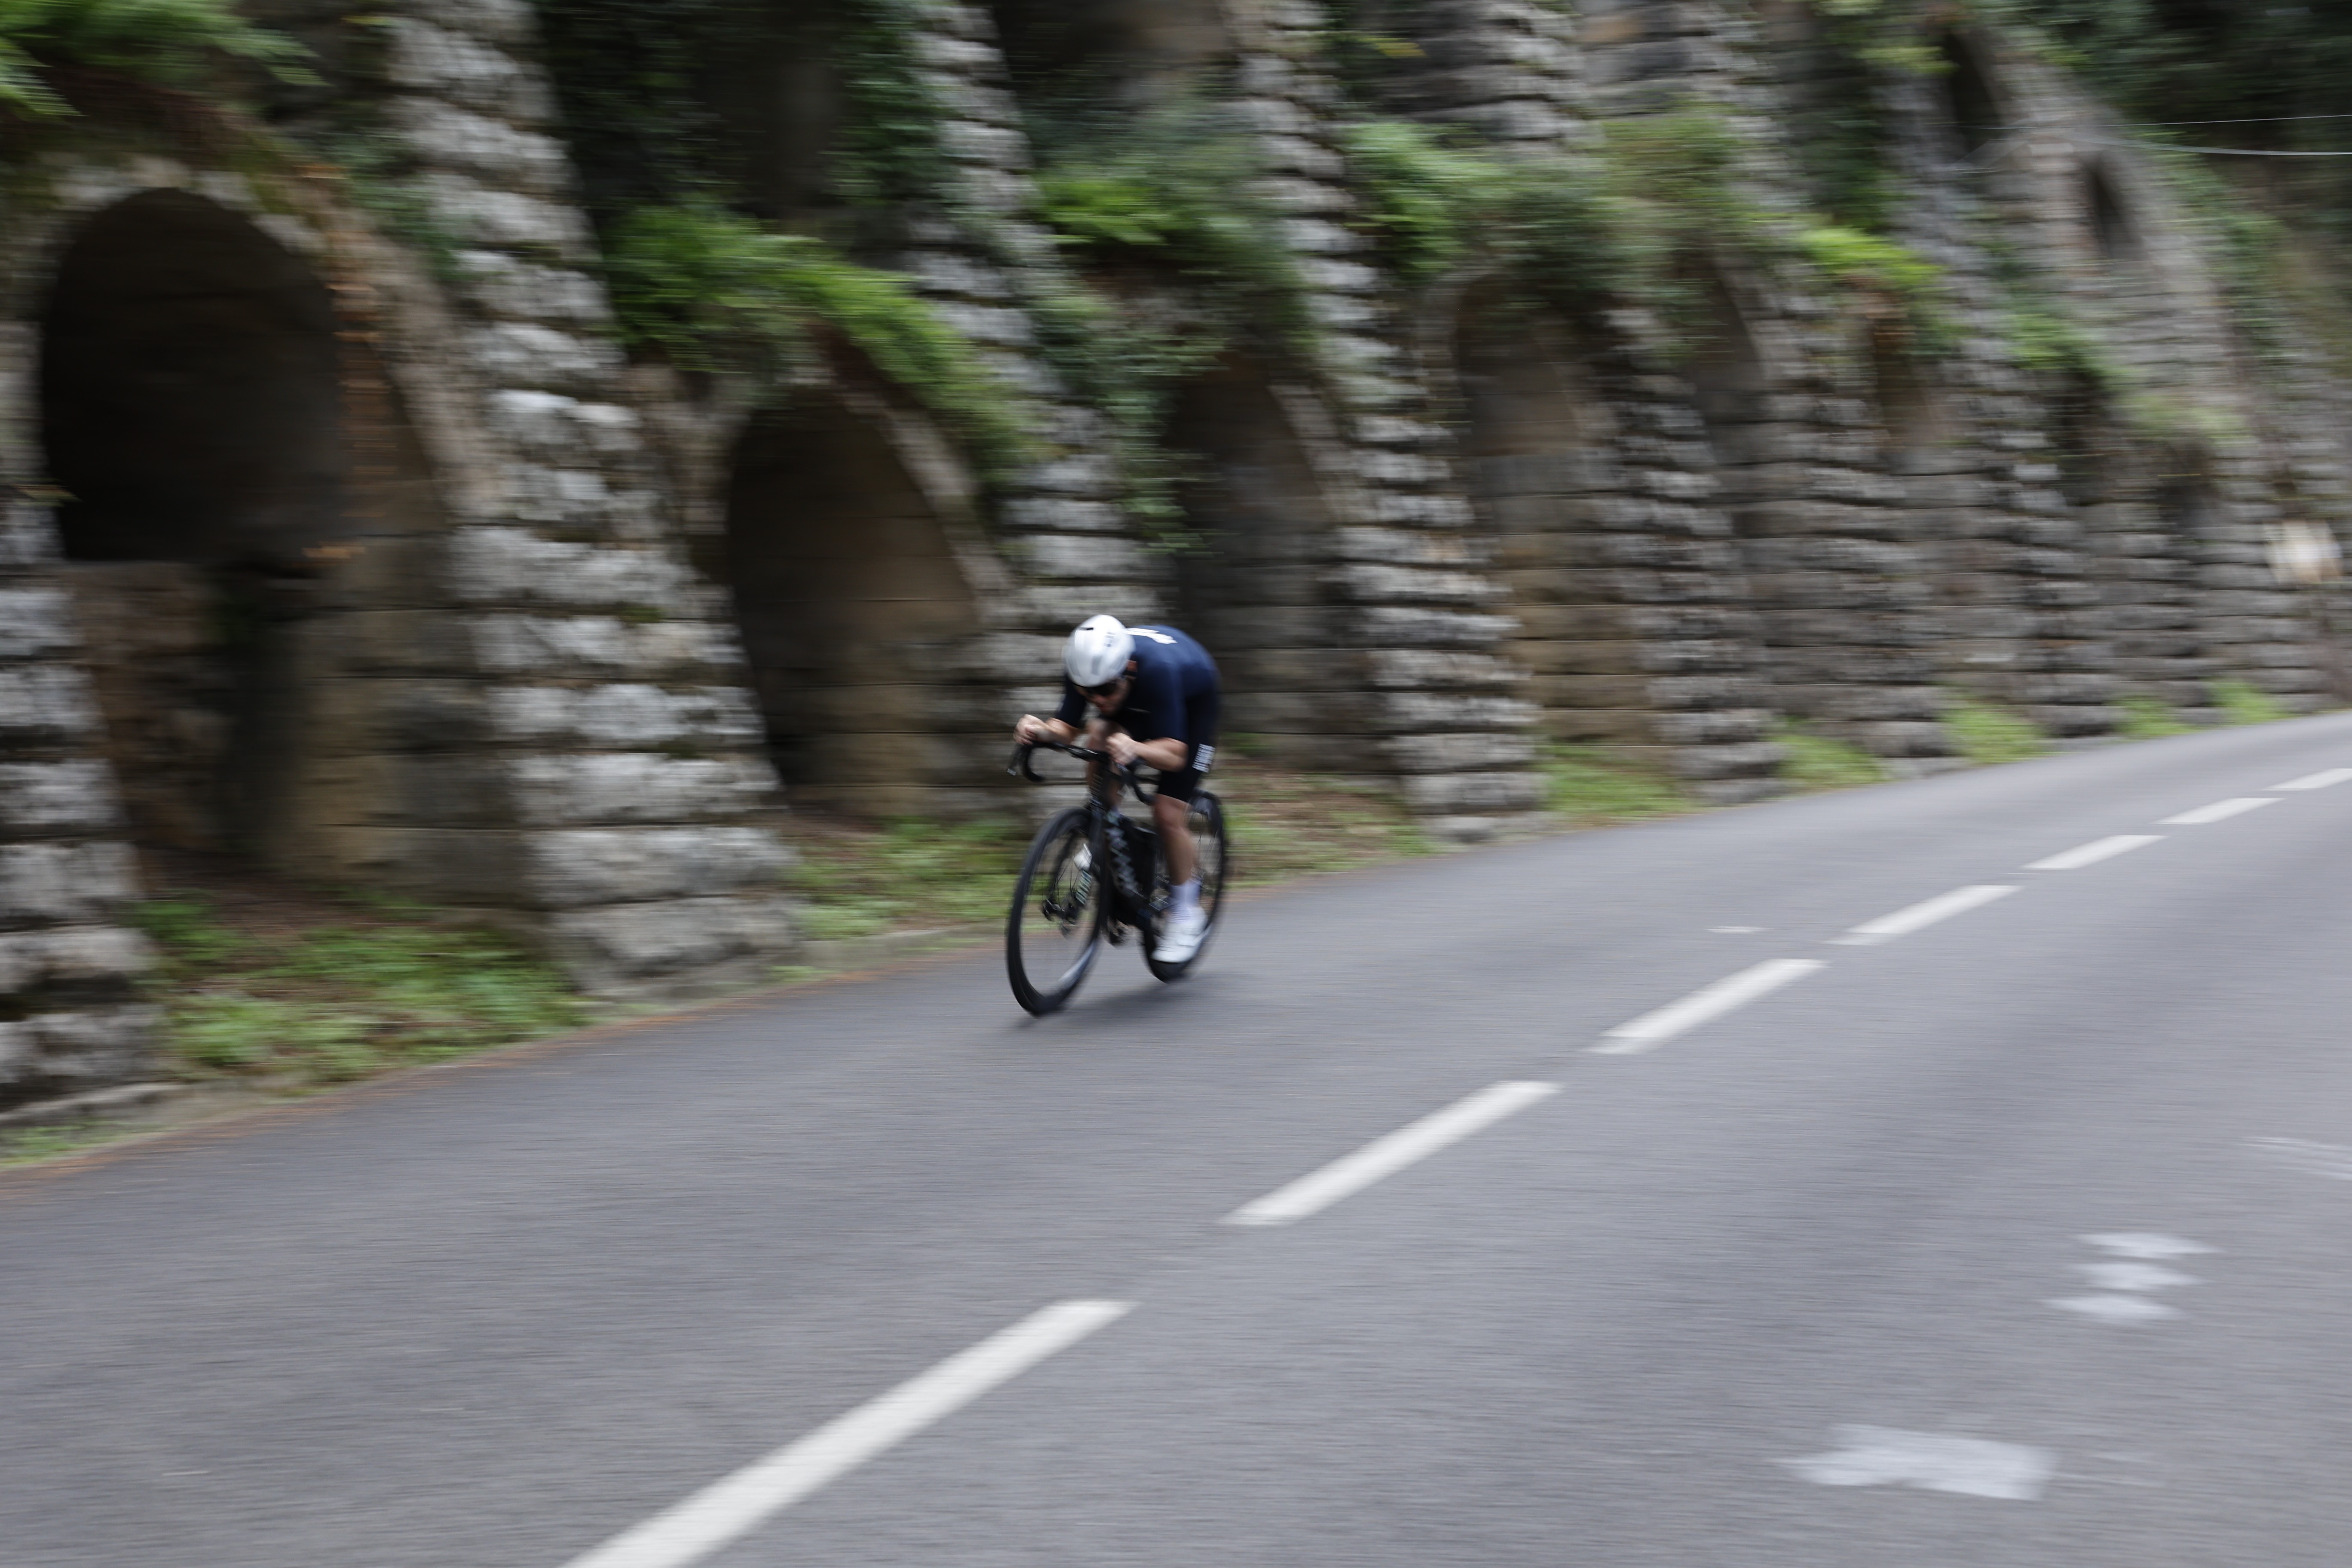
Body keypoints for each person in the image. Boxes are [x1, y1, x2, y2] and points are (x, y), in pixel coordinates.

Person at [1015, 614, 1221, 964]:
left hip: (1191, 705)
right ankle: (1106, 827)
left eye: (1106, 690)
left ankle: (1188, 913)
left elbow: (1175, 755)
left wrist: (1137, 748)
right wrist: (1041, 731)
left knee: (1167, 813)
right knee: (1098, 735)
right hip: (1140, 699)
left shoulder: (1158, 671)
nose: (1098, 699)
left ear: (1130, 669)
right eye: (1088, 692)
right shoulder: (1087, 670)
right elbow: (1067, 728)